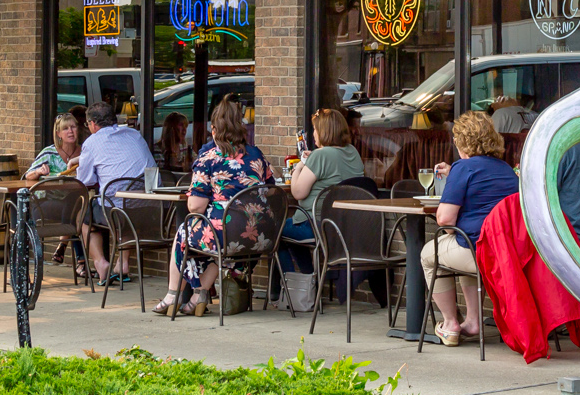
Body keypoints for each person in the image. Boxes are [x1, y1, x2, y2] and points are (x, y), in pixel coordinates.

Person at [156, 100, 273, 316]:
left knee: (185, 232)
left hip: (228, 234)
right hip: (261, 235)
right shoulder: (257, 155)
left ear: (214, 129)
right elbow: (270, 188)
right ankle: (198, 296)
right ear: (241, 126)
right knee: (217, 241)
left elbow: (196, 206)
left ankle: (173, 295)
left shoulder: (209, 158)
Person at [423, 110, 519, 346]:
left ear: (461, 141)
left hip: (480, 251)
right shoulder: (505, 169)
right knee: (459, 247)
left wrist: (456, 174)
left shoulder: (463, 168)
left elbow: (444, 219)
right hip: (509, 251)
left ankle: (451, 324)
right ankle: (474, 321)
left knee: (428, 254)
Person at [75, 99, 157, 285]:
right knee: (124, 203)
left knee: (82, 215)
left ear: (93, 124)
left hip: (117, 211)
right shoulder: (134, 135)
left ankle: (101, 263)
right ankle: (123, 264)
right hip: (151, 209)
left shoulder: (92, 142)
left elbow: (84, 181)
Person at [278, 109, 365, 281]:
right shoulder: (352, 152)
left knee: (276, 231)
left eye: (316, 129)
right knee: (290, 234)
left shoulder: (321, 155)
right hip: (347, 225)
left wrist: (299, 168)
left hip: (318, 225)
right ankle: (310, 281)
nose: (314, 134)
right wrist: (314, 159)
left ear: (325, 131)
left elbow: (297, 192)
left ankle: (293, 287)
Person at [27, 111, 84, 181]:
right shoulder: (48, 153)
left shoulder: (84, 152)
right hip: (49, 191)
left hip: (77, 191)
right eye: (65, 128)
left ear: (77, 130)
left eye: (73, 127)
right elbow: (28, 175)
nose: (70, 131)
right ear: (58, 134)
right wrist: (38, 172)